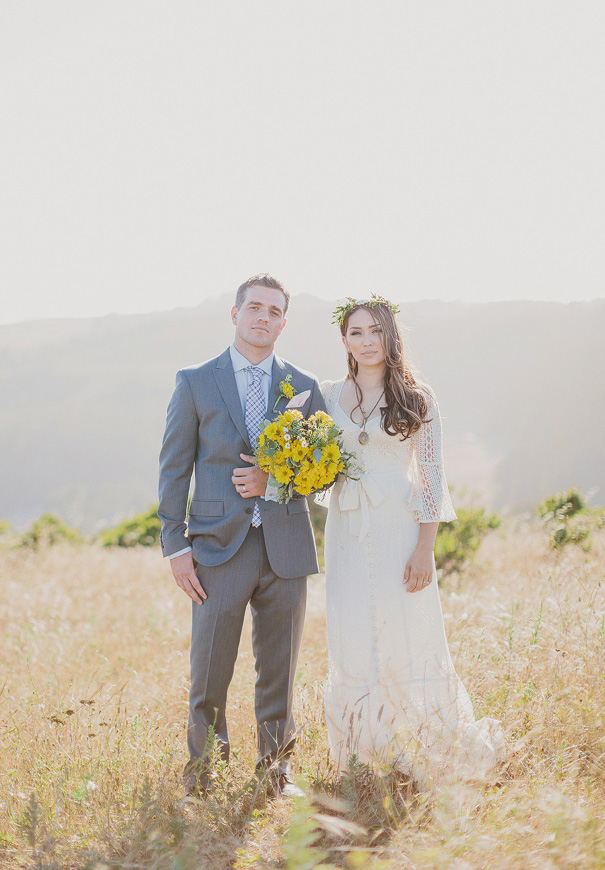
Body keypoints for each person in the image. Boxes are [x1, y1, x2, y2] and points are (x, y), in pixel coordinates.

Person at [319, 295, 505, 787]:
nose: (366, 341)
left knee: (406, 630)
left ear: (390, 337)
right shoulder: (326, 394)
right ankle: (361, 755)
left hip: (399, 526)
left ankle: (426, 748)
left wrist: (425, 549)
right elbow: (314, 468)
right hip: (347, 528)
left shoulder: (417, 397)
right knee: (353, 628)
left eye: (375, 331)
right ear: (344, 341)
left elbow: (431, 478)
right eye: (356, 332)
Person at [158, 274, 326, 798]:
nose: (263, 318)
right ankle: (203, 776)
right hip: (215, 548)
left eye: (274, 311)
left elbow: (324, 471)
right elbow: (173, 468)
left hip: (286, 547)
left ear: (282, 322)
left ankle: (276, 773)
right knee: (209, 672)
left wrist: (274, 481)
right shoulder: (195, 380)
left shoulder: (303, 385)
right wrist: (176, 545)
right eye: (254, 307)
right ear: (235, 314)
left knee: (279, 669)